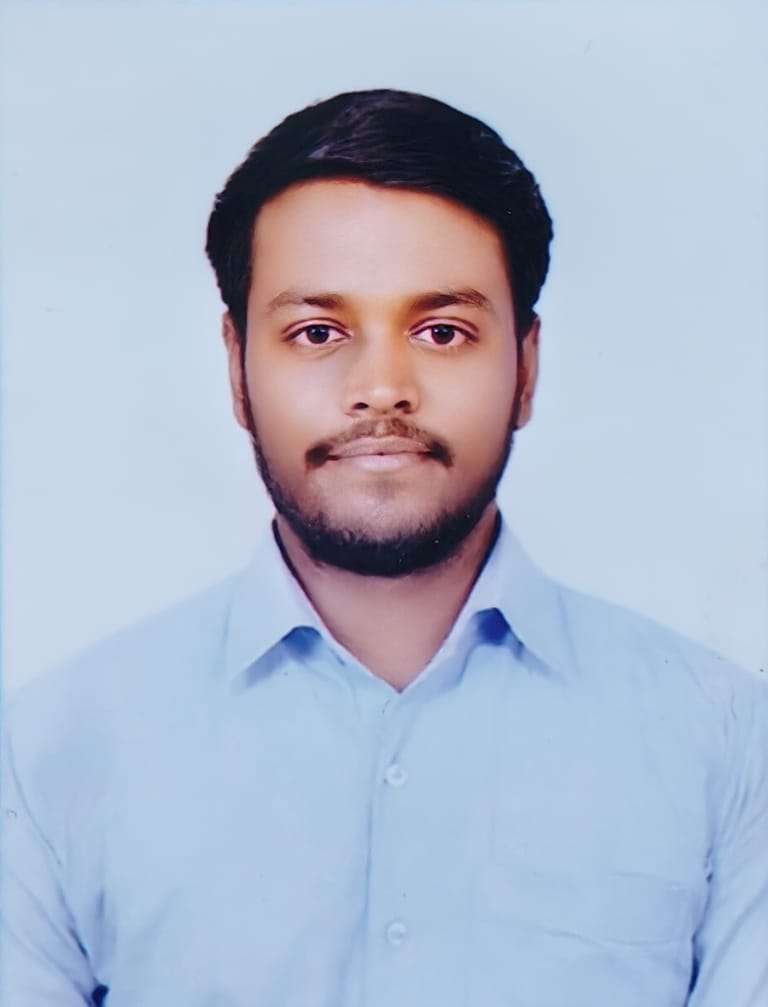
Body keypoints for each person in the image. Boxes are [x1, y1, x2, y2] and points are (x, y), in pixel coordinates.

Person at [2, 88, 765, 1007]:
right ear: (237, 367)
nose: (381, 387)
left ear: (525, 367)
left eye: (441, 331)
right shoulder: (49, 754)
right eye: (317, 332)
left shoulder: (728, 744)